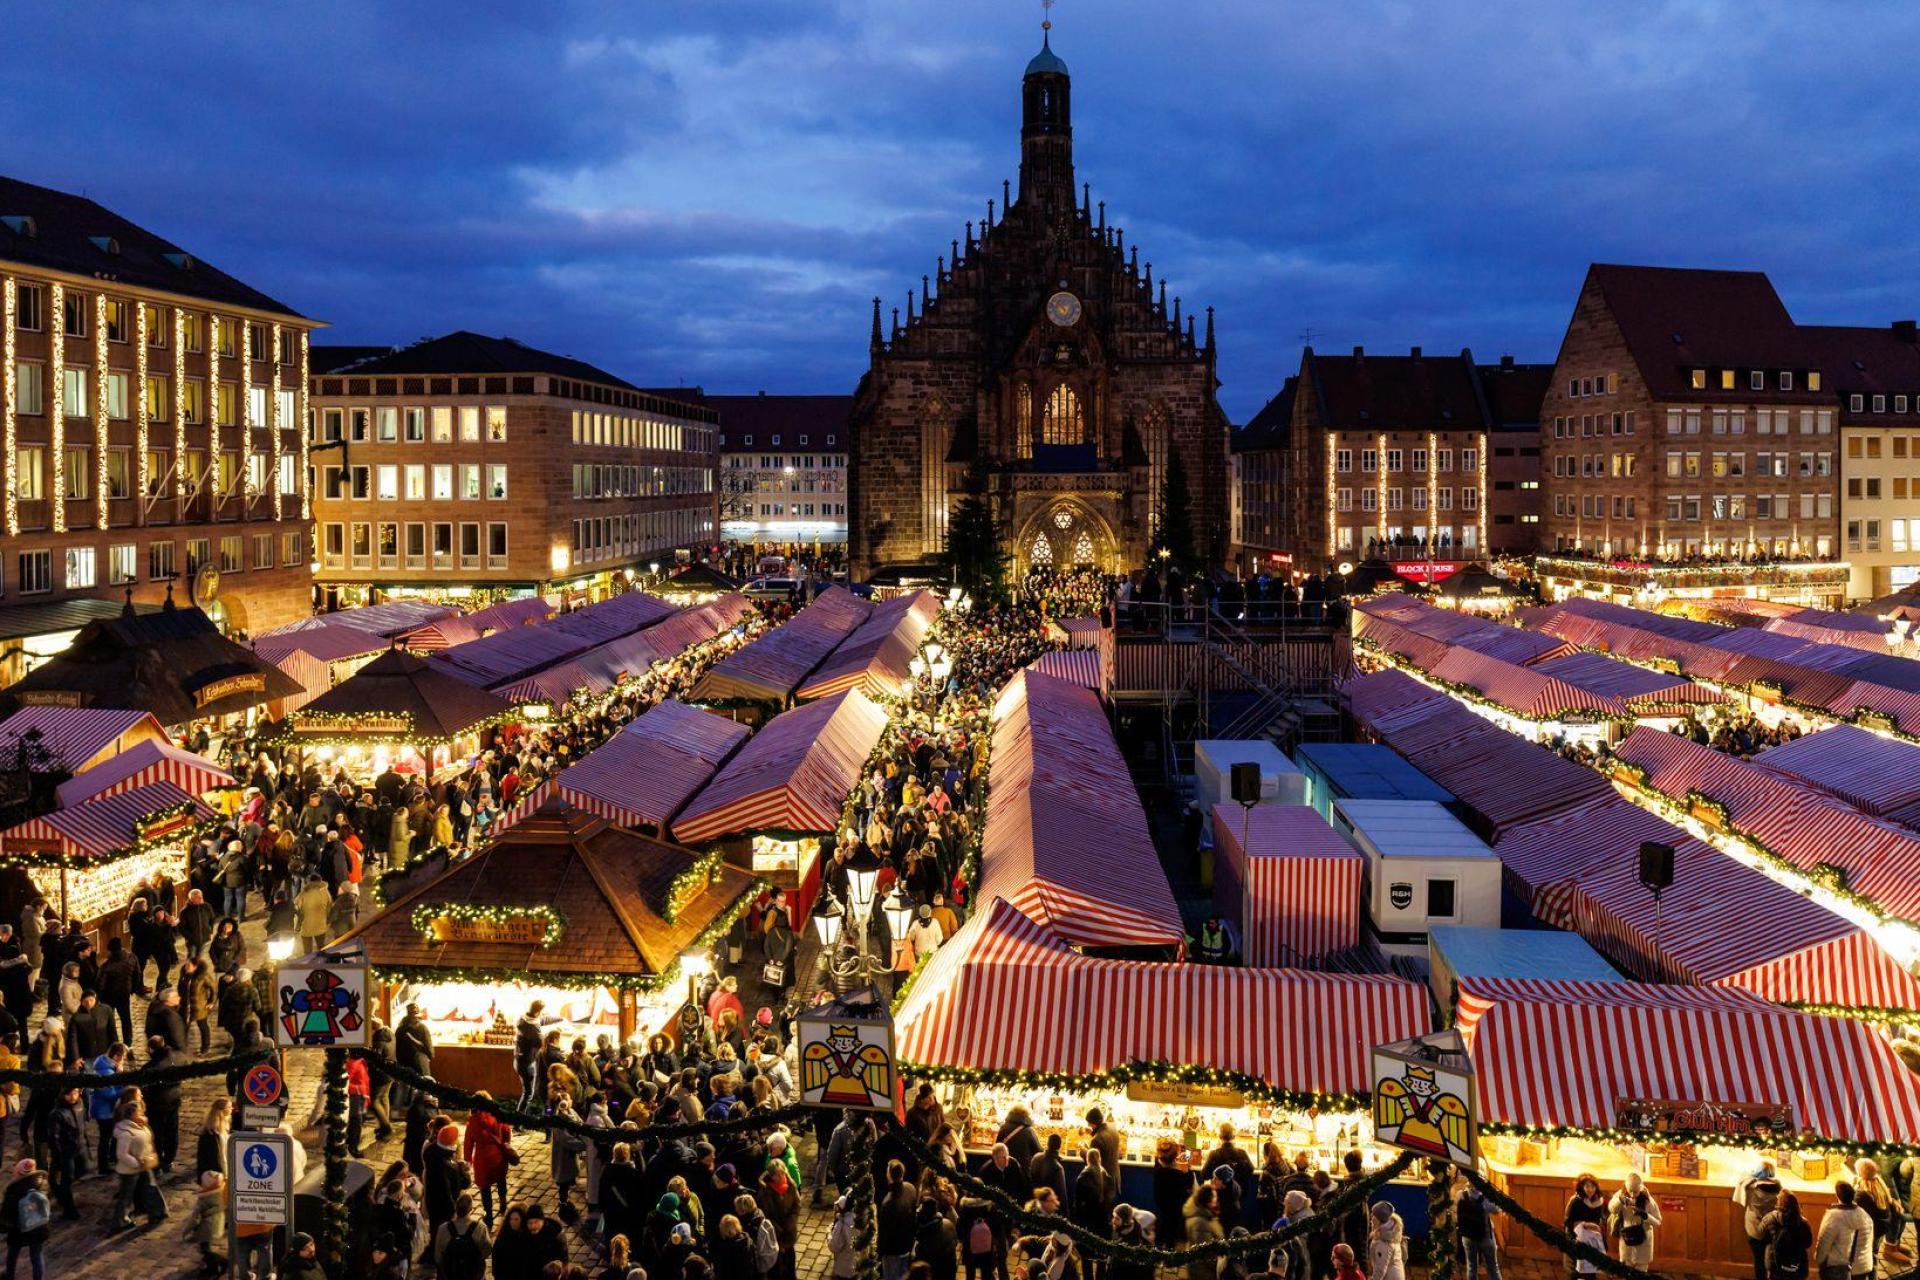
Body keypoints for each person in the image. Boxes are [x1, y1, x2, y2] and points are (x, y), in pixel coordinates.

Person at [106, 1101, 165, 1232]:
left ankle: (157, 1212)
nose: (142, 1114)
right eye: (139, 1112)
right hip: (131, 1169)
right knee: (126, 1196)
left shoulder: (139, 1125)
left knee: (150, 1188)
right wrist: (136, 1164)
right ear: (131, 1115)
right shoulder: (126, 1132)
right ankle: (120, 1221)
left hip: (144, 1164)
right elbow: (121, 1154)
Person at [463, 1095, 515, 1225]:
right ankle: (503, 1204)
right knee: (501, 1180)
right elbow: (507, 1131)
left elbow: (468, 1143)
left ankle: (488, 1214)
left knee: (484, 1188)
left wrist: (467, 1160)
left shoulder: (473, 1121)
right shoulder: (498, 1115)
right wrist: (506, 1144)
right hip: (498, 1156)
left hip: (482, 1159)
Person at [2, 1161, 49, 1280]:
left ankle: (9, 1276)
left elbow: (7, 1213)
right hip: (40, 1226)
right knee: (37, 1256)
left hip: (19, 1229)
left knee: (12, 1254)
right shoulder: (42, 1183)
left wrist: (3, 1227)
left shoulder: (13, 1190)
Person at [1738, 1161, 1784, 1280]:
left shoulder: (1751, 1189)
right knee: (1773, 1258)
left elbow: (1743, 1177)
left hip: (1754, 1230)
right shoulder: (1779, 1189)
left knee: (1758, 1259)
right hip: (1772, 1229)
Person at [1817, 1183, 1873, 1280]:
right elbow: (1869, 1242)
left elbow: (1824, 1242)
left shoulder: (1833, 1216)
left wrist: (1819, 1260)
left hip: (1838, 1268)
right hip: (1862, 1267)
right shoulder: (1864, 1215)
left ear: (1837, 1195)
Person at [1607, 1173, 1661, 1268]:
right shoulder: (1621, 1194)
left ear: (1641, 1188)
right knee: (1626, 1272)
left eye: (1635, 1192)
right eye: (1630, 1191)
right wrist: (1620, 1201)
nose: (1632, 1195)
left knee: (1641, 1274)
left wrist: (1645, 1215)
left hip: (1643, 1244)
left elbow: (1658, 1221)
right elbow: (1611, 1208)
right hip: (1626, 1242)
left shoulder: (1648, 1200)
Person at [879, 1160, 920, 1280]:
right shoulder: (910, 1188)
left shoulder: (888, 1203)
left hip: (893, 1250)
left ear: (889, 1175)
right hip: (907, 1244)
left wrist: (880, 1251)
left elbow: (884, 1232)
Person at [185, 1170, 228, 1278]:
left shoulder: (202, 1201)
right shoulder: (221, 1194)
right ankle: (211, 1265)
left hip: (205, 1229)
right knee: (206, 1248)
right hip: (218, 1225)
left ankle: (217, 1264)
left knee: (205, 1249)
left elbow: (194, 1219)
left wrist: (186, 1231)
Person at [1761, 1191, 1813, 1280]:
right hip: (1798, 1267)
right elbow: (1808, 1243)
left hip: (1776, 1266)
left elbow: (1762, 1237)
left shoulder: (1769, 1219)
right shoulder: (1803, 1223)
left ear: (1779, 1203)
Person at [1562, 1175, 1607, 1273]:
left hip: (1592, 1239)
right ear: (1582, 1187)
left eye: (1593, 1187)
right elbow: (1568, 1222)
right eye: (1587, 1186)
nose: (1590, 1190)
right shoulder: (1575, 1201)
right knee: (1576, 1269)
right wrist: (1584, 1225)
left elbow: (1601, 1219)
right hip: (1577, 1238)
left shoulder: (1599, 1201)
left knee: (1591, 1268)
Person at [1456, 1180, 1500, 1280]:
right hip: (1485, 1236)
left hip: (1467, 1236)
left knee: (1471, 1267)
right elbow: (1497, 1209)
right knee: (1493, 1267)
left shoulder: (1460, 1195)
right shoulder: (1485, 1200)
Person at [1183, 1183, 1224, 1280]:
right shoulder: (1200, 1222)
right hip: (1202, 1271)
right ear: (1207, 1200)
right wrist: (1219, 1265)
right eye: (1214, 1196)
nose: (1216, 1199)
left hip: (1200, 1267)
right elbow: (1206, 1251)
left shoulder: (1205, 1215)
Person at [1366, 1201, 1405, 1280]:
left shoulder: (1383, 1241)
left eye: (1373, 1214)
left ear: (1379, 1219)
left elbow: (1380, 1268)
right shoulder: (1391, 1231)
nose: (1371, 1216)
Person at [829, 1196, 861, 1280]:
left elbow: (834, 1246)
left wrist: (828, 1234)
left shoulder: (841, 1225)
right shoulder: (859, 1219)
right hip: (857, 1266)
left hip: (843, 1269)